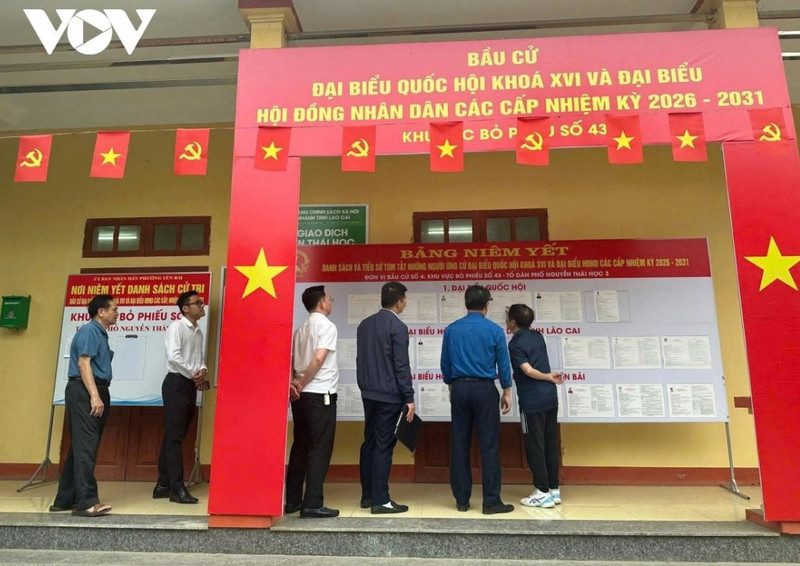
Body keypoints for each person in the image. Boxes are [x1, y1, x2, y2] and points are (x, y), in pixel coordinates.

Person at [441, 285, 514, 515]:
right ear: (486, 306)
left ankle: (462, 500)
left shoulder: (452, 330)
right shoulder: (494, 330)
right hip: (485, 389)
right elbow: (503, 364)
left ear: (466, 304)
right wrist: (507, 390)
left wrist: (452, 384)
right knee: (489, 445)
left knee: (459, 443)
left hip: (460, 388)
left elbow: (445, 364)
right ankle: (491, 501)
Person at [50, 294, 118, 517]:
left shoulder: (100, 333)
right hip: (85, 391)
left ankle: (64, 500)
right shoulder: (90, 331)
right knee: (86, 447)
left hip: (94, 389)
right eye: (114, 309)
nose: (117, 313)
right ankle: (87, 503)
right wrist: (94, 396)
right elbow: (83, 363)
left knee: (81, 446)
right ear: (101, 312)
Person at [356, 281, 415, 514]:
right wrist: (409, 397)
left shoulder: (364, 325)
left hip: (368, 393)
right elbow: (401, 365)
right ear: (399, 302)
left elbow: (361, 359)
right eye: (405, 300)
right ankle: (381, 500)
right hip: (390, 396)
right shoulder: (398, 327)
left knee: (369, 442)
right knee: (383, 446)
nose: (405, 303)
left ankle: (367, 495)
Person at [285, 286, 340, 519]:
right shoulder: (327, 326)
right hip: (319, 394)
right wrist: (302, 383)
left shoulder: (301, 329)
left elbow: (290, 359)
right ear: (322, 302)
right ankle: (313, 504)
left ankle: (293, 501)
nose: (331, 301)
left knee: (300, 446)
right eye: (329, 298)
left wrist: (294, 383)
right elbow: (318, 358)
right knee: (320, 448)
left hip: (300, 396)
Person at [153, 290, 209, 504]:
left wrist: (202, 370)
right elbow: (174, 357)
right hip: (176, 383)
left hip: (189, 384)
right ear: (185, 308)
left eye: (201, 303)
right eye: (197, 303)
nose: (201, 306)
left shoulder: (198, 331)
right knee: (175, 437)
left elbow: (199, 358)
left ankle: (162, 485)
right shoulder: (176, 327)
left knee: (175, 435)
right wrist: (194, 373)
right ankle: (177, 489)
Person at [506, 303, 564, 508]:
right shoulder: (538, 336)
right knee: (550, 443)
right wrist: (549, 379)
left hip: (532, 400)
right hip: (549, 397)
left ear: (513, 322)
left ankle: (541, 492)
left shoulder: (514, 344)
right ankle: (554, 489)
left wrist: (547, 376)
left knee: (535, 444)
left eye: (508, 317)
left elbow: (528, 371)